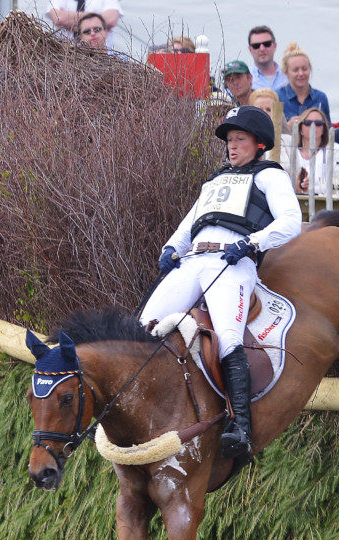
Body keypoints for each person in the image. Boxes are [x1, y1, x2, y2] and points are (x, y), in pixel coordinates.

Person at [139, 105, 301, 461]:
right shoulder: (214, 180)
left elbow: (292, 220)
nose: (232, 146)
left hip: (233, 261)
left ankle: (240, 426)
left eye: (240, 139)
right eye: (229, 140)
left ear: (259, 144)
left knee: (228, 336)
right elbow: (189, 223)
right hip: (194, 259)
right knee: (143, 327)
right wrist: (171, 247)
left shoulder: (270, 176)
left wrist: (252, 242)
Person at [287, 107, 339, 195]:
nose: (313, 126)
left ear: (324, 128)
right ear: (300, 127)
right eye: (308, 123)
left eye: (318, 123)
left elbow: (336, 186)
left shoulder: (334, 149)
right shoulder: (290, 150)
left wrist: (308, 189)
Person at [276, 42, 330, 122]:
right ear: (286, 72)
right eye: (295, 70)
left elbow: (328, 130)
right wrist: (287, 127)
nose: (301, 74)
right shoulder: (277, 97)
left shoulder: (321, 98)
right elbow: (273, 131)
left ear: (310, 69)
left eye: (304, 69)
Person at [46, 0, 121, 49]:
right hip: (65, 53)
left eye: (96, 29)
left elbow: (111, 20)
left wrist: (69, 19)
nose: (92, 33)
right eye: (87, 31)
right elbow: (59, 18)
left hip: (105, 56)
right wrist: (98, 17)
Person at [247, 25, 287, 91]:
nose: (262, 49)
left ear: (275, 46)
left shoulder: (289, 76)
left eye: (267, 44)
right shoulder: (243, 80)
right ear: (250, 49)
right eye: (256, 46)